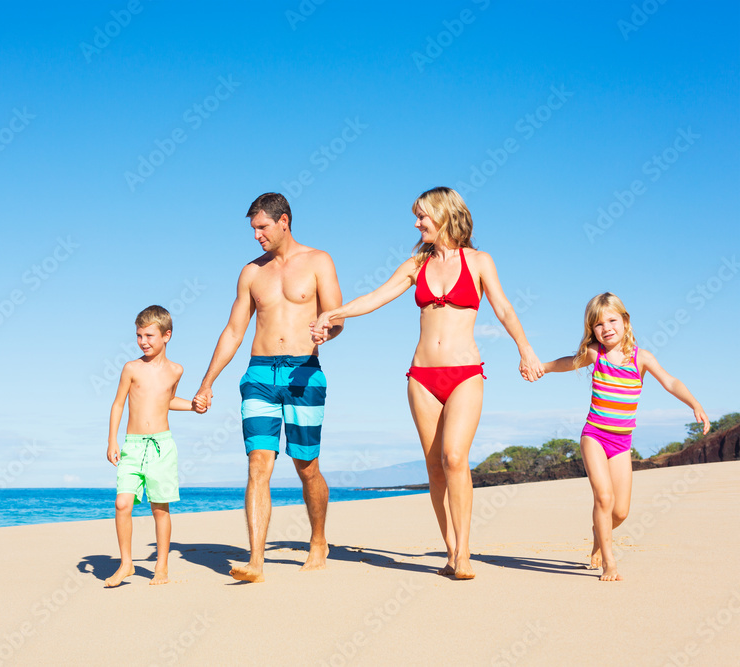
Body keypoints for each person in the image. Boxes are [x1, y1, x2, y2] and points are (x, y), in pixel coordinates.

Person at [312, 186, 542, 580]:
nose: (417, 224)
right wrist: (333, 313)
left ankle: (465, 552)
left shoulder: (479, 261)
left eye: (423, 216)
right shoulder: (416, 264)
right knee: (435, 466)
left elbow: (503, 307)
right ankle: (451, 551)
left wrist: (526, 350)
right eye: (416, 217)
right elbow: (376, 297)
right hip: (421, 376)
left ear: (445, 215)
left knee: (455, 457)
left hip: (465, 372)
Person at [193, 192, 344, 583]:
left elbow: (337, 313)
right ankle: (255, 560)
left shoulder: (318, 261)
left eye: (262, 227)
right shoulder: (251, 272)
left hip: (303, 372)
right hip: (259, 375)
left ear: (284, 221)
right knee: (258, 464)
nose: (257, 235)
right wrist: (207, 382)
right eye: (253, 229)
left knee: (306, 467)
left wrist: (329, 328)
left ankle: (318, 540)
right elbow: (233, 331)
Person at [539, 292, 709, 581]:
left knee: (620, 512)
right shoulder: (596, 353)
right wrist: (541, 367)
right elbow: (568, 362)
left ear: (625, 321)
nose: (606, 328)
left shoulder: (641, 358)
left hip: (621, 444)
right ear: (592, 330)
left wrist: (695, 404)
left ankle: (598, 532)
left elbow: (670, 381)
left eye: (612, 320)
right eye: (598, 324)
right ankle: (609, 562)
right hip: (594, 435)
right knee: (603, 499)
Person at [105, 305, 198, 587]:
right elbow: (119, 403)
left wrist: (193, 406)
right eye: (138, 336)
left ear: (166, 335)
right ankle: (126, 564)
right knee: (123, 503)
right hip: (132, 446)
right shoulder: (131, 368)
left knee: (160, 508)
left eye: (149, 335)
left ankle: (161, 566)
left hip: (162, 445)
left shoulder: (176, 370)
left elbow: (167, 401)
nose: (143, 341)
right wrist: (112, 439)